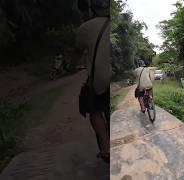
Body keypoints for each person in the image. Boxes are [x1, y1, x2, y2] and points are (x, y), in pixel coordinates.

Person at [73, 0, 110, 162]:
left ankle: (106, 148)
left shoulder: (85, 28)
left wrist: (71, 67)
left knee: (94, 110)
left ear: (91, 10)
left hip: (100, 79)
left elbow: (77, 54)